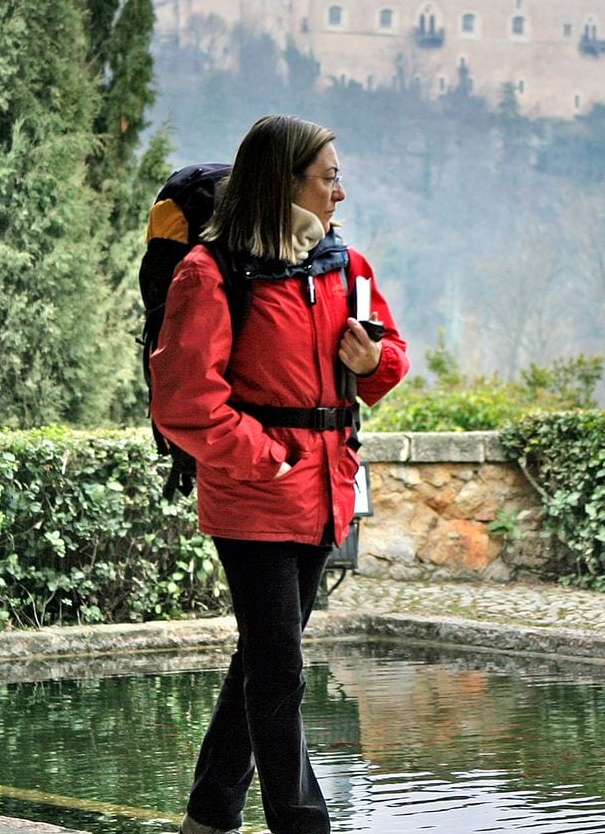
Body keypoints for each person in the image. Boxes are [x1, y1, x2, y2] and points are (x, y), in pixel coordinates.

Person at [150, 114, 409, 834]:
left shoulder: (343, 267)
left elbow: (391, 353)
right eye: (329, 177)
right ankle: (304, 824)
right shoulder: (211, 272)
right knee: (281, 669)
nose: (341, 192)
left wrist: (372, 364)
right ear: (285, 182)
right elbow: (183, 402)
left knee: (264, 661)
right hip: (254, 498)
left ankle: (210, 814)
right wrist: (266, 457)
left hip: (326, 492)